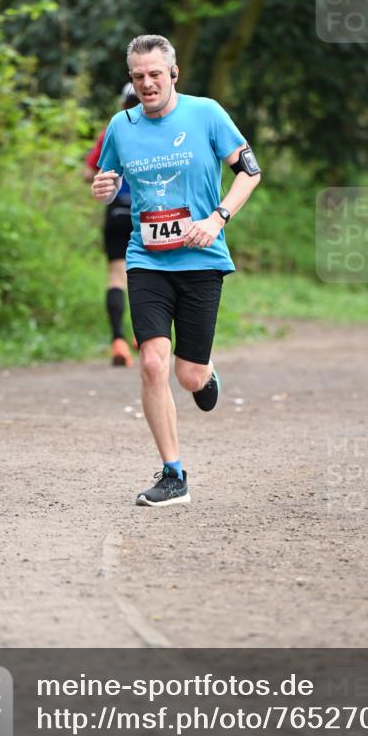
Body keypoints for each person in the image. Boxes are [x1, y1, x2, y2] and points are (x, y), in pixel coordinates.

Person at [92, 34, 261, 506]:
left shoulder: (206, 113)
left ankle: (204, 373)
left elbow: (250, 170)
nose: (147, 84)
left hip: (201, 258)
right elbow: (108, 181)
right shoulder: (120, 126)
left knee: (187, 377)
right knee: (151, 363)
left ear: (173, 74)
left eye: (154, 75)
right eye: (138, 76)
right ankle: (174, 474)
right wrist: (103, 189)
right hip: (146, 258)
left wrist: (218, 218)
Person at [84, 84, 139, 367]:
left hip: (116, 211)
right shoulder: (159, 130)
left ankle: (118, 339)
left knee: (117, 277)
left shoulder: (112, 132)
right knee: (148, 275)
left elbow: (89, 171)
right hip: (149, 215)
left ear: (121, 103)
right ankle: (145, 334)